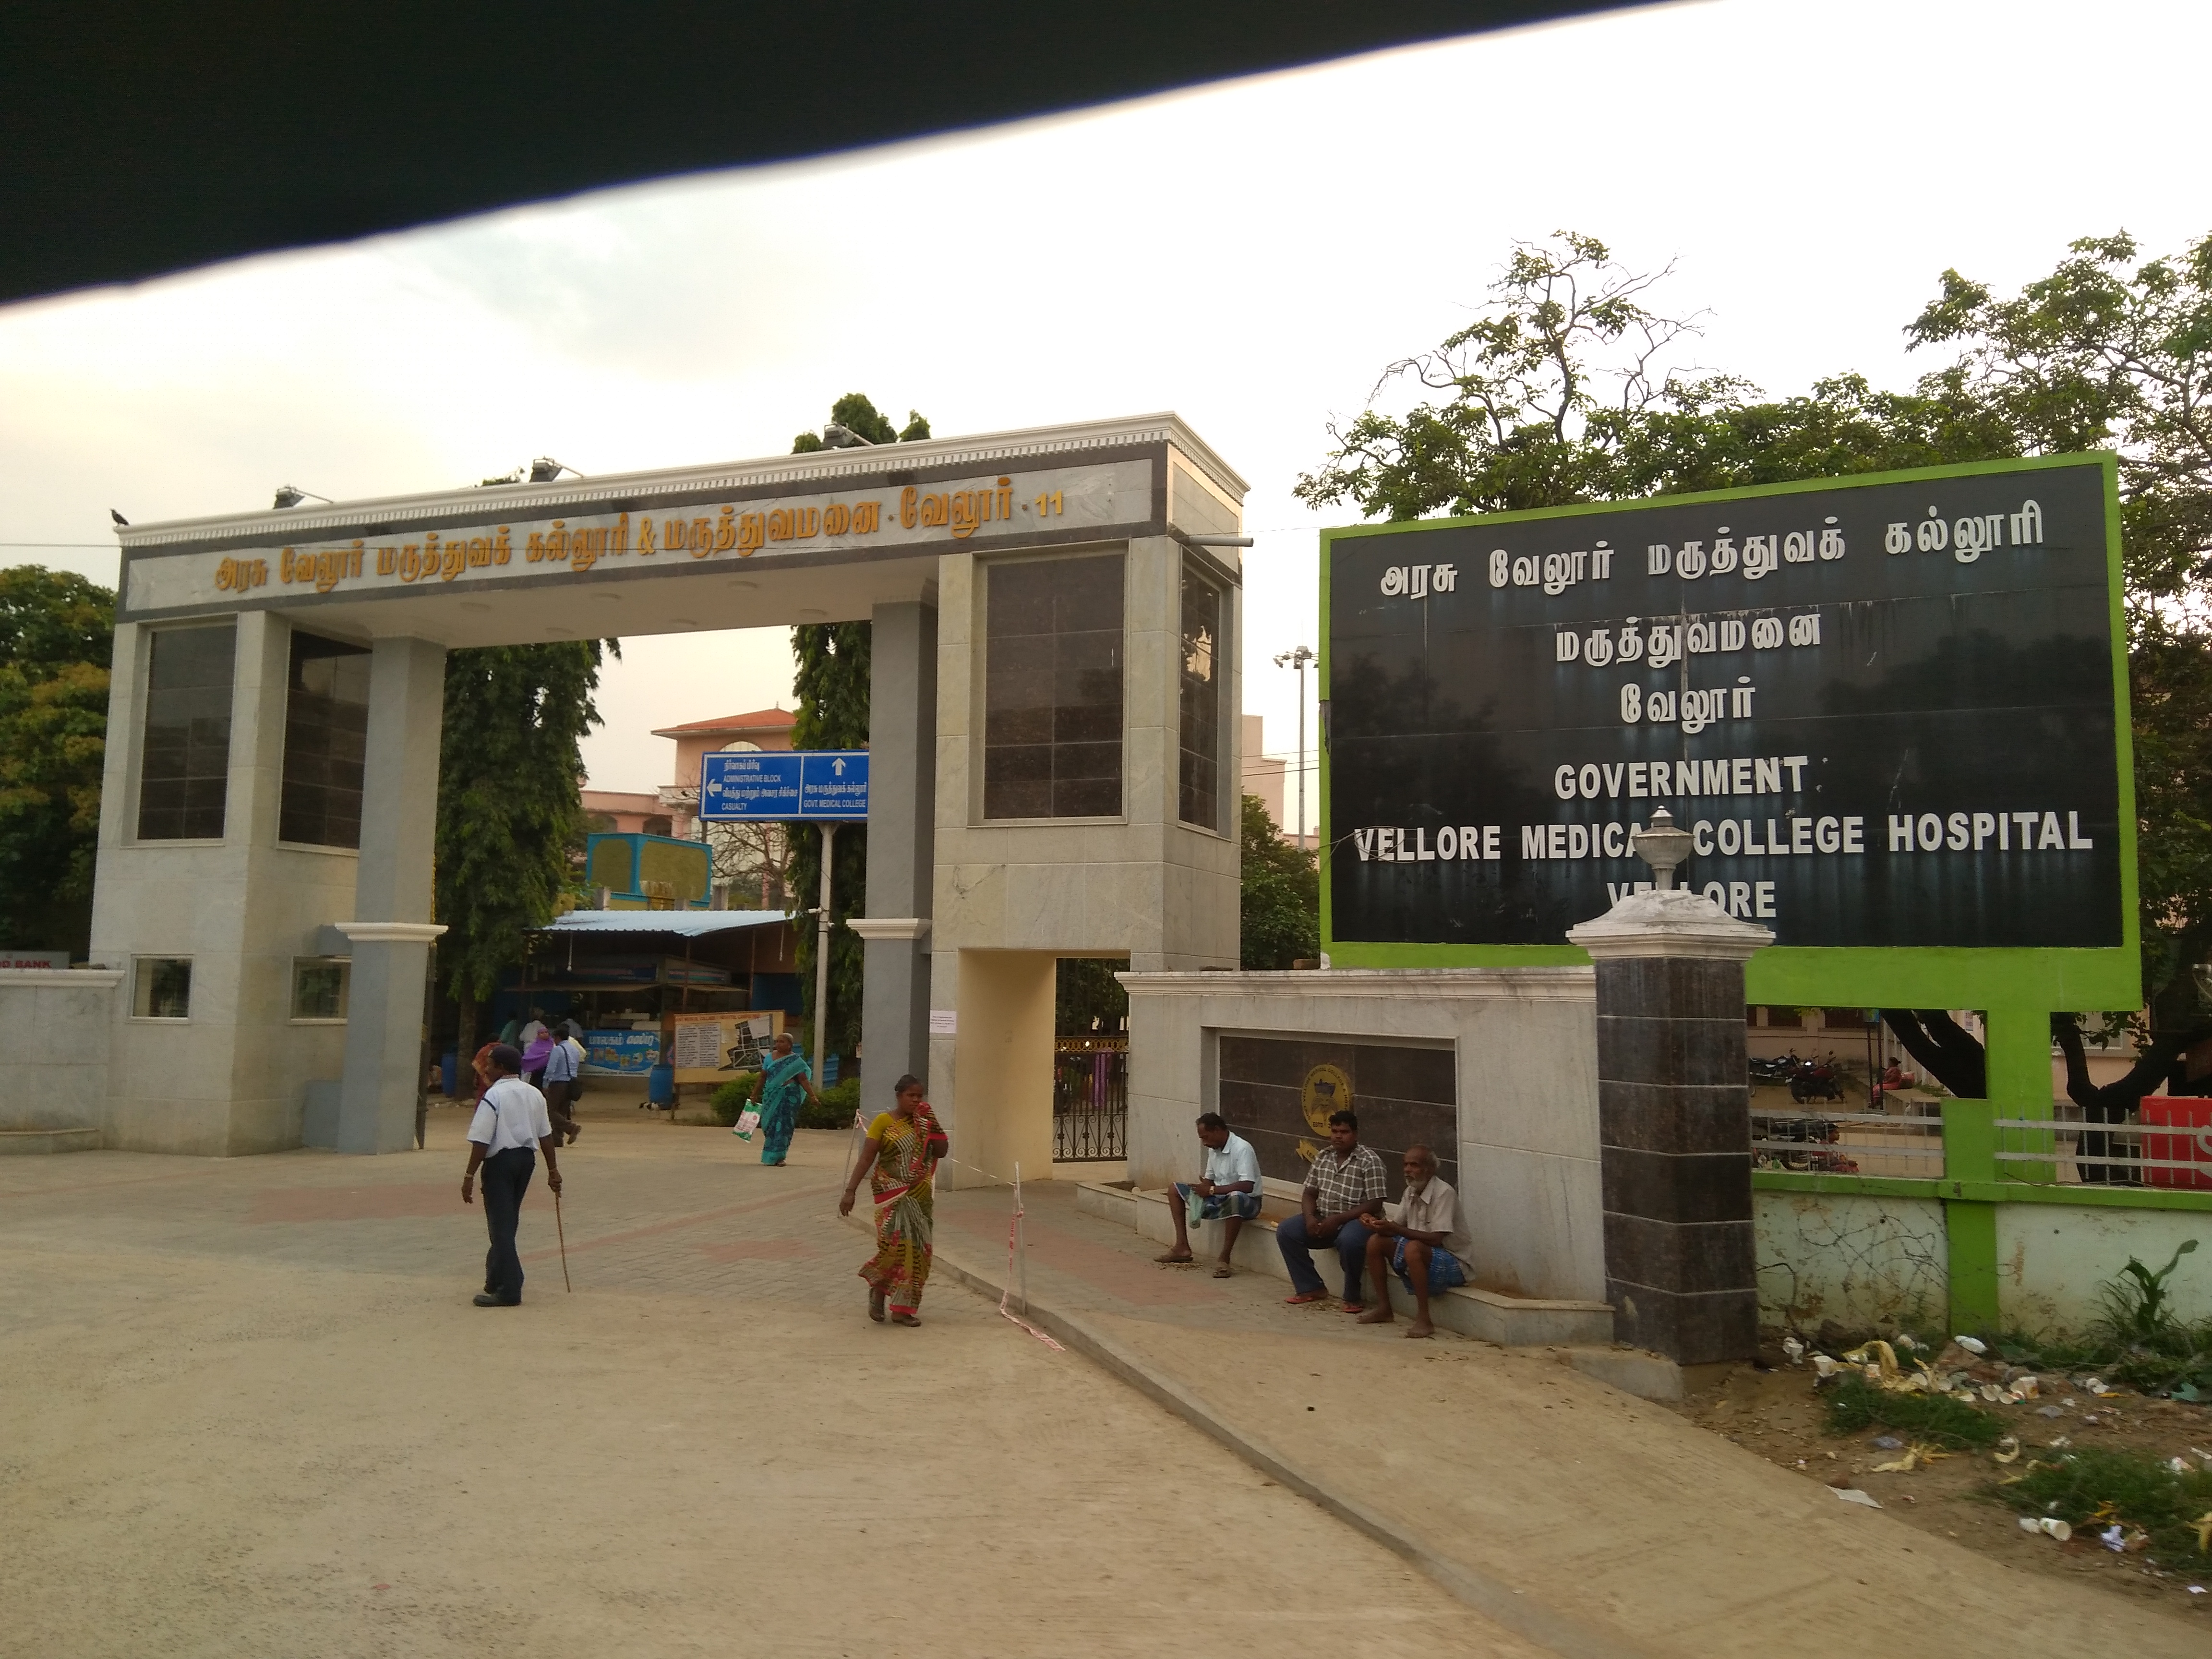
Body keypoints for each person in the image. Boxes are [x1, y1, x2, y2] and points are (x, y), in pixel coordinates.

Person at [839, 1073, 947, 1325]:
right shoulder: (883, 1122)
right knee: (894, 1248)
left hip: (919, 1197)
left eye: (920, 1096)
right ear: (898, 1096)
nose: (916, 1100)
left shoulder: (924, 1123)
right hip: (890, 1194)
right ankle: (878, 1288)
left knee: (918, 1251)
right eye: (911, 1096)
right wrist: (850, 1191)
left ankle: (902, 1310)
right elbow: (867, 1157)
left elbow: (941, 1152)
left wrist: (933, 1125)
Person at [459, 1044, 563, 1307]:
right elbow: (546, 1135)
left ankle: (510, 1288)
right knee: (508, 1221)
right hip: (526, 1161)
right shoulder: (534, 1094)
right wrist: (553, 1169)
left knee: (500, 1226)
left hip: (500, 1163)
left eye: (491, 1064)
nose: (487, 1068)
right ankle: (495, 1277)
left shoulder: (494, 1096)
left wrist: (469, 1175)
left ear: (502, 1068)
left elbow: (481, 1141)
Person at [1277, 1109, 1388, 1310]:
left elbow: (1376, 1203)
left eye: (1344, 1132)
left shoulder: (1370, 1161)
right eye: (1335, 1131)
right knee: (1286, 1230)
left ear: (1355, 1134)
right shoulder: (1324, 1156)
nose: (1338, 1136)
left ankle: (1353, 1295)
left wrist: (1338, 1220)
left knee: (1350, 1240)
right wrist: (1310, 1217)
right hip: (1324, 1217)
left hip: (1359, 1221)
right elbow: (1310, 1193)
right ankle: (1310, 1287)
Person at [1357, 1145, 1471, 1338]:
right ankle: (1384, 1309)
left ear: (1430, 1169)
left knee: (1413, 1248)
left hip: (1454, 1263)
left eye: (1414, 1165)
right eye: (1406, 1165)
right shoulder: (1410, 1192)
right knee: (1377, 1241)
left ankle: (1424, 1319)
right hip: (1423, 1254)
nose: (1408, 1170)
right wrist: (1376, 1225)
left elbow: (1436, 1239)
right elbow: (1396, 1226)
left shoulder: (1444, 1193)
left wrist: (1394, 1229)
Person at [1155, 1112, 1262, 1278]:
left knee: (1236, 1197)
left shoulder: (1242, 1148)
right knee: (1175, 1189)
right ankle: (1182, 1247)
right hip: (1219, 1197)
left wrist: (1211, 1190)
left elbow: (1247, 1185)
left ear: (1218, 1130)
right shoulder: (1214, 1149)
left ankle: (1224, 1259)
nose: (1204, 1143)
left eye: (1206, 1138)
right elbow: (1210, 1182)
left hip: (1248, 1203)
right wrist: (1202, 1188)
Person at [745, 1031, 820, 1166]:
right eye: (777, 1042)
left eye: (782, 1042)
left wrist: (812, 1096)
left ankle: (779, 1157)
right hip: (770, 1096)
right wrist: (754, 1094)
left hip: (788, 1098)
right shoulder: (769, 1058)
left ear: (790, 1045)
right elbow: (763, 1077)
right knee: (768, 1126)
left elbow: (803, 1080)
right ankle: (770, 1154)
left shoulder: (796, 1061)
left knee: (784, 1127)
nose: (778, 1045)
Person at [540, 1020, 584, 1144]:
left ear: (558, 1038)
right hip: (571, 1083)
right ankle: (557, 1139)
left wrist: (545, 1084)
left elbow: (551, 1069)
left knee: (551, 1111)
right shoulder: (575, 1050)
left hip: (558, 1083)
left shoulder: (558, 1050)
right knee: (562, 1111)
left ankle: (571, 1128)